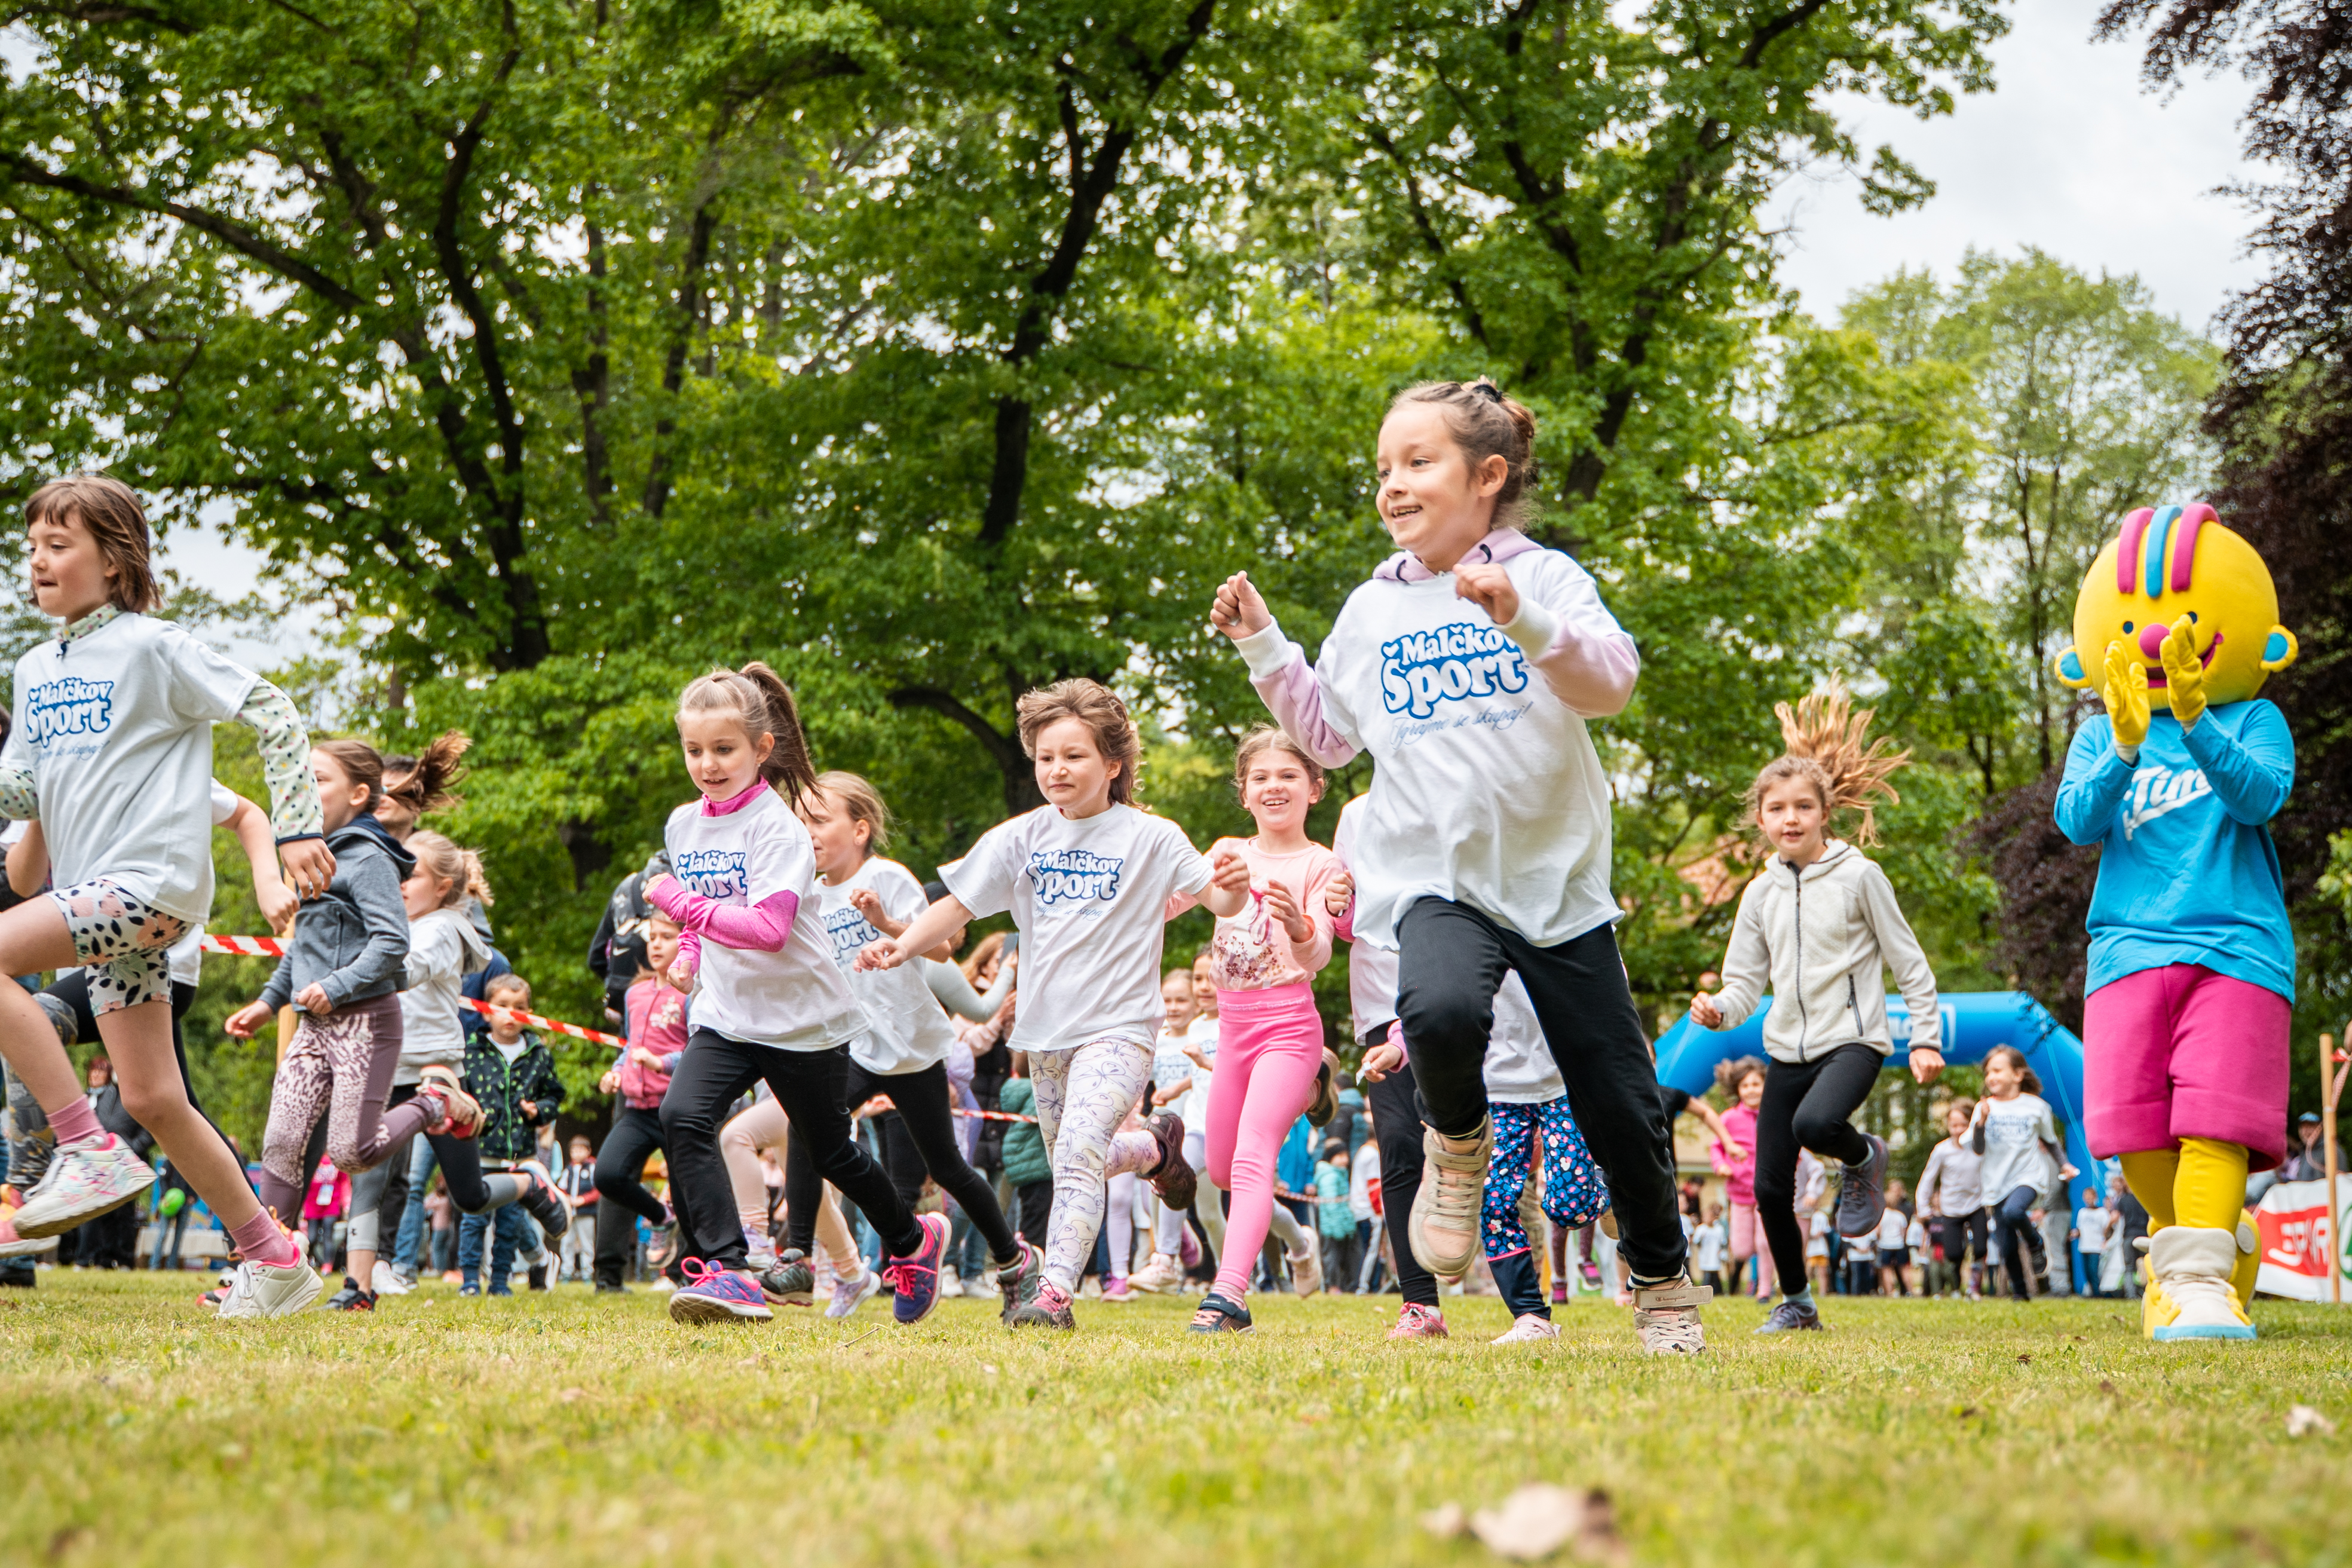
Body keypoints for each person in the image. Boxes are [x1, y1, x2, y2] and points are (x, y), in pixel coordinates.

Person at [1214, 377, 1709, 1353]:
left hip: (1556, 888)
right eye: (1383, 468)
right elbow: (1330, 737)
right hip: (1432, 879)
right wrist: (1265, 646)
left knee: (1619, 1102)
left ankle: (1660, 1279)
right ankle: (1459, 1142)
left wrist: (1520, 616)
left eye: (1417, 462)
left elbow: (1608, 683)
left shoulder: (1548, 577)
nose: (1392, 485)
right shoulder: (1369, 608)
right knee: (1437, 1011)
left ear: (1487, 476)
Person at [0, 474, 341, 1315]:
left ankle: (83, 1142)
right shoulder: (36, 665)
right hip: (102, 905)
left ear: (114, 562)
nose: (37, 562)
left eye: (58, 544)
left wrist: (296, 829)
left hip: (148, 887)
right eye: (31, 546)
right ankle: (276, 1263)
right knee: (154, 1096)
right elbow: (21, 791)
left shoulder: (156, 647)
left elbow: (272, 711)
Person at [858, 678, 1240, 1331]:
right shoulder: (1022, 836)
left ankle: (1053, 1293)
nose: (1056, 769)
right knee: (1077, 1159)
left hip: (1121, 1026)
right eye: (1045, 757)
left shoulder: (1152, 837)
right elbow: (957, 906)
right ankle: (1152, 1147)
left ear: (1112, 763)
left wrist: (1233, 887)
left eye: (1074, 755)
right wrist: (901, 945)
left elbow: (1220, 902)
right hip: (1044, 1031)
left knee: (1081, 1150)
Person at [2052, 503, 2298, 1341]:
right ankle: (2214, 1241)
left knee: (2217, 1118)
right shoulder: (2099, 732)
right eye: (2140, 620)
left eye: (2183, 618)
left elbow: (2260, 796)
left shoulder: (2253, 718)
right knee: (2130, 1132)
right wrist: (2123, 749)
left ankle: (2194, 1285)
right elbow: (2077, 823)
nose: (2162, 638)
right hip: (2125, 950)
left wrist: (2197, 725)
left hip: (2237, 946)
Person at [647, 662, 950, 1327]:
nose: (707, 763)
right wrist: (691, 954)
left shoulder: (777, 828)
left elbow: (767, 927)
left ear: (761, 749)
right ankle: (727, 1269)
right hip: (727, 1014)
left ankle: (912, 1238)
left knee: (830, 1151)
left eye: (724, 749)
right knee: (683, 1117)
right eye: (694, 749)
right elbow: (713, 912)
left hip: (801, 1018)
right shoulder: (682, 824)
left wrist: (679, 904)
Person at [1689, 678, 1943, 1334]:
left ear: (1825, 812)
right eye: (1778, 808)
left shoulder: (1860, 876)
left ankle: (1861, 1155)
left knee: (1816, 1124)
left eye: (1804, 805)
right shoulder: (1759, 894)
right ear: (1762, 818)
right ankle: (1797, 1302)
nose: (1791, 818)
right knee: (1771, 1185)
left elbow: (1908, 959)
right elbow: (1745, 984)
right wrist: (1718, 1008)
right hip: (1786, 1048)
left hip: (1855, 1038)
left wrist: (1925, 1036)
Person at [222, 737, 483, 1313]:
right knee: (282, 1141)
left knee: (352, 1151)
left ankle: (435, 1104)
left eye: (317, 779)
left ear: (360, 794)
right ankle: (271, 1264)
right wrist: (270, 1003)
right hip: (315, 1027)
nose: (302, 789)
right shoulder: (313, 854)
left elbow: (392, 945)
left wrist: (336, 987)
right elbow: (304, 946)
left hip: (366, 1022)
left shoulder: (367, 859)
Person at [783, 772, 1042, 1314]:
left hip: (914, 1047)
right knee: (808, 1133)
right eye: (801, 821)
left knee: (946, 1167)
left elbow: (945, 950)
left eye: (819, 820)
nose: (807, 831)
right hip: (850, 1048)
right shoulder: (802, 894)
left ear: (859, 829)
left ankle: (1014, 1264)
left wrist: (883, 922)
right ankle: (797, 1258)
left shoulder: (890, 877)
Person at [1163, 729, 1344, 1329]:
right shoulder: (1228, 850)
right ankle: (1298, 1240)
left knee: (1253, 1153)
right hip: (1233, 1031)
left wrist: (1297, 925)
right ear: (1243, 792)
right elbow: (1177, 900)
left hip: (1290, 1029)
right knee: (1221, 1169)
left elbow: (1319, 953)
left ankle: (1228, 1295)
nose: (1274, 786)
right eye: (1261, 776)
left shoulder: (1321, 864)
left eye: (1289, 775)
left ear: (1314, 788)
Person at [1330, 794, 1448, 1339]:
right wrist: (1336, 906)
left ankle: (1527, 1303)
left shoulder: (1457, 789)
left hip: (1457, 994)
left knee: (1469, 1142)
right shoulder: (1356, 814)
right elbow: (1350, 926)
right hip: (1382, 1004)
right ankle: (1420, 1304)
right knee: (1398, 1147)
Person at [1475, 976, 1609, 1343]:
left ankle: (1606, 1188)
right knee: (1494, 1203)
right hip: (1500, 1088)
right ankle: (1530, 1316)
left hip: (1563, 1082)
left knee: (1569, 1210)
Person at [593, 908, 685, 1294]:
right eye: (653, 937)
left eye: (666, 937)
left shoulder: (691, 993)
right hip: (636, 1108)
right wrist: (617, 1070)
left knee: (691, 1190)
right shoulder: (634, 993)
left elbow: (700, 1051)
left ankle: (691, 1275)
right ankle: (660, 1216)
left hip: (677, 1108)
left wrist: (662, 1063)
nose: (656, 944)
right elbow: (631, 1045)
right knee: (608, 1175)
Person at [459, 972, 568, 1296]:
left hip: (520, 1155)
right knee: (474, 1218)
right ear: (486, 1010)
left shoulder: (538, 1053)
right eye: (503, 1006)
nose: (511, 1014)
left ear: (529, 1013)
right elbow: (460, 1091)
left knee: (509, 1222)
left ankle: (500, 1282)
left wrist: (539, 1110)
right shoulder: (472, 1050)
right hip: (478, 1151)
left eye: (519, 1007)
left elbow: (555, 1095)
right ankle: (469, 1281)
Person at [1969, 1045, 2077, 1301]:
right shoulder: (1983, 1108)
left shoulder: (2036, 1107)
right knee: (2005, 1246)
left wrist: (2064, 1164)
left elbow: (2049, 1140)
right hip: (1996, 1182)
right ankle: (2020, 1293)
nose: (1991, 1077)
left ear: (2018, 1075)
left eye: (1997, 1070)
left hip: (2028, 1177)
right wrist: (1981, 1122)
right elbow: (1977, 1149)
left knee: (2014, 1211)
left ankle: (2035, 1242)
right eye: (1988, 1072)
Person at [1708, 1056, 1768, 1298]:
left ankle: (1764, 1290)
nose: (1751, 1090)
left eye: (1756, 1084)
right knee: (1742, 1249)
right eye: (1745, 1085)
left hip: (1767, 1189)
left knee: (1765, 1243)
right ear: (1737, 1090)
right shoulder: (1730, 1118)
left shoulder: (1773, 1115)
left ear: (1765, 1086)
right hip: (1741, 1192)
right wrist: (1721, 1165)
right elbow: (1716, 1147)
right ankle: (1756, 1266)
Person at [1917, 1098, 1986, 1300]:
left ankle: (1974, 1289)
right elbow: (1927, 1180)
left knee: (1981, 1248)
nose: (1957, 1130)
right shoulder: (1942, 1150)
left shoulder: (1978, 1147)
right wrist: (1923, 1208)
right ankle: (1956, 1288)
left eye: (1962, 1125)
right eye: (1953, 1125)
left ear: (1970, 1124)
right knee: (1954, 1254)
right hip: (1951, 1208)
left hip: (1976, 1204)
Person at [557, 1135, 598, 1282]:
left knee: (587, 1243)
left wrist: (584, 1200)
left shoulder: (592, 1168)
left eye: (581, 1150)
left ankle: (587, 1272)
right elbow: (561, 1188)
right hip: (570, 1214)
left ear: (588, 1151)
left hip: (586, 1213)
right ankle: (567, 1271)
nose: (577, 1154)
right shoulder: (568, 1170)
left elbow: (597, 1190)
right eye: (574, 1150)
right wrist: (566, 1199)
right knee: (567, 1242)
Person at [2074, 1184, 2112, 1299]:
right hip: (2084, 1246)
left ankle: (2098, 1294)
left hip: (2096, 1247)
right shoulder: (2082, 1212)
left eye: (2090, 1197)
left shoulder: (2102, 1212)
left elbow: (2107, 1229)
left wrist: (2105, 1240)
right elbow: (2080, 1229)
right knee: (2087, 1272)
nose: (2088, 1199)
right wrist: (2076, 1234)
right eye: (2086, 1197)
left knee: (2094, 1271)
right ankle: (2091, 1293)